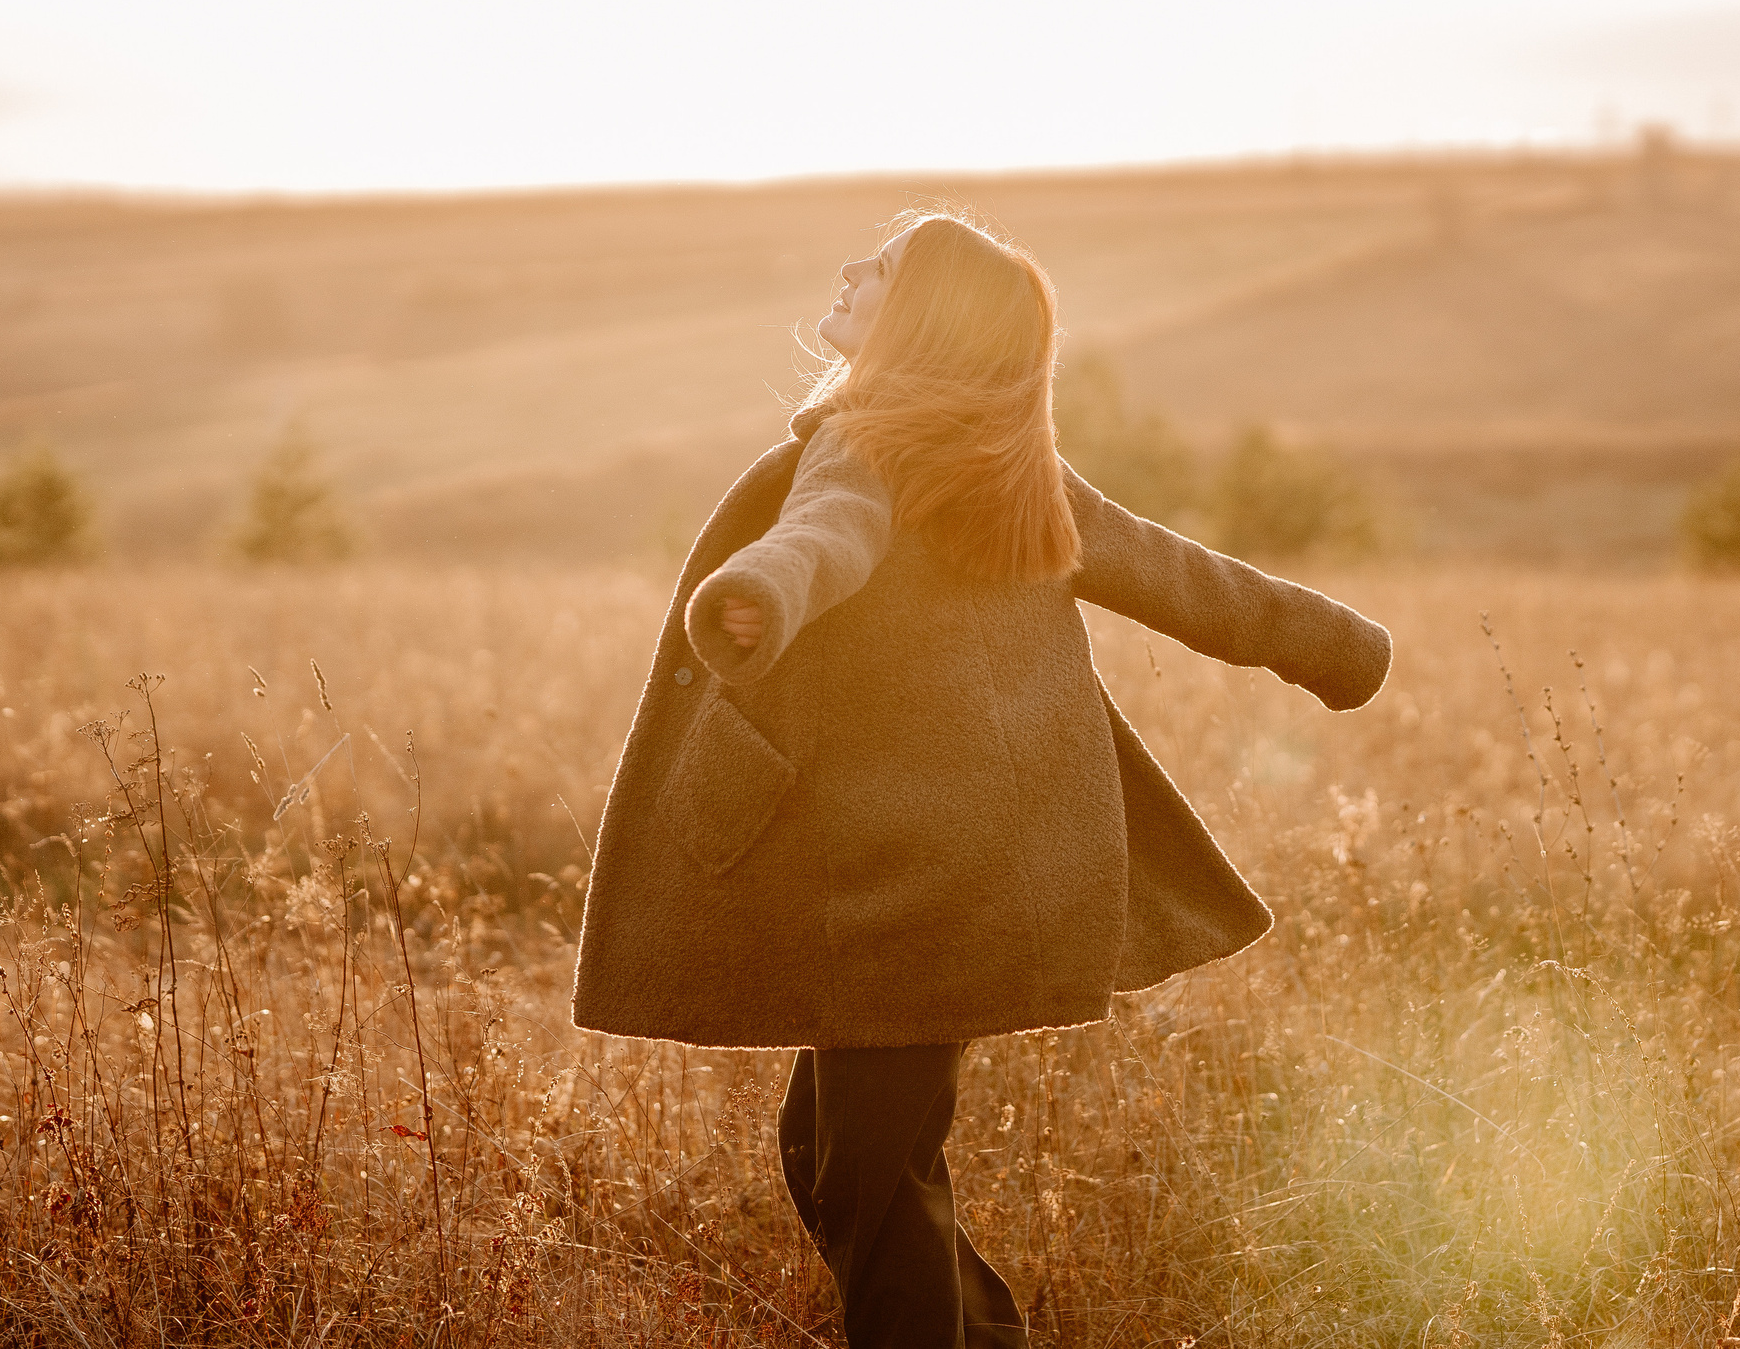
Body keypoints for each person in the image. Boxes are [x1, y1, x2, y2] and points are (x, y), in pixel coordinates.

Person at [573, 209, 1393, 1348]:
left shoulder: (870, 443)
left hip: (901, 881)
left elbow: (829, 531)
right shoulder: (1003, 465)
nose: (851, 269)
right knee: (839, 1158)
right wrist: (1339, 648)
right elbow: (1181, 574)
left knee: (862, 1174)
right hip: (975, 872)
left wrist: (761, 587)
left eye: (881, 266)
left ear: (919, 318)